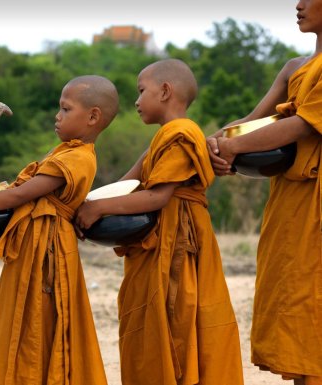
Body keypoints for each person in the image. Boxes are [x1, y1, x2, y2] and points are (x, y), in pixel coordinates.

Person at [0, 75, 119, 385]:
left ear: (92, 117)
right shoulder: (65, 152)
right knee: (25, 321)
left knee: (39, 322)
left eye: (66, 109)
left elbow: (20, 195)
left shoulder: (77, 157)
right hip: (34, 247)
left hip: (47, 252)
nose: (57, 116)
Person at [75, 59, 244, 385]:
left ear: (165, 91)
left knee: (175, 319)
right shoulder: (166, 137)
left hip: (179, 243)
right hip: (162, 239)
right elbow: (129, 182)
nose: (136, 102)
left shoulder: (181, 133)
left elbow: (157, 197)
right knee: (153, 321)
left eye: (141, 92)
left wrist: (98, 210)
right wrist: (88, 204)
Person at [206, 1, 322, 383]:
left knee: (314, 299)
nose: (299, 5)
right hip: (289, 201)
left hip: (317, 200)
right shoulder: (294, 67)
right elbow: (252, 123)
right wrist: (217, 144)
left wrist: (235, 149)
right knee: (290, 295)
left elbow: (301, 127)